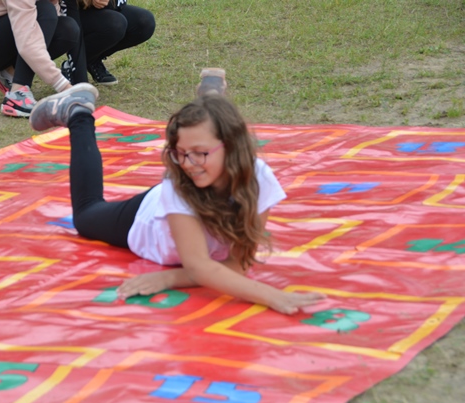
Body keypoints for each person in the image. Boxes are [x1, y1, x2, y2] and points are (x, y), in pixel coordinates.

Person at [28, 77, 325, 315]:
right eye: (180, 153)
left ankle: (211, 95)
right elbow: (198, 265)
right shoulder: (179, 181)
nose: (188, 163)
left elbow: (239, 265)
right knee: (85, 216)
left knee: (207, 127)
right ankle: (78, 112)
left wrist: (170, 278)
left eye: (200, 153)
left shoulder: (258, 178)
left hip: (193, 218)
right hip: (144, 219)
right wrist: (272, 296)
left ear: (232, 147)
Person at [0, 0, 86, 118]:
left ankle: (8, 73)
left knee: (67, 29)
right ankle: (18, 93)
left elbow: (48, 26)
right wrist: (65, 87)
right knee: (45, 10)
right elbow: (28, 41)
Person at [75, 0, 155, 85]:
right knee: (116, 24)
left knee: (144, 22)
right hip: (75, 11)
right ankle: (74, 62)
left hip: (110, 7)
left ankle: (92, 59)